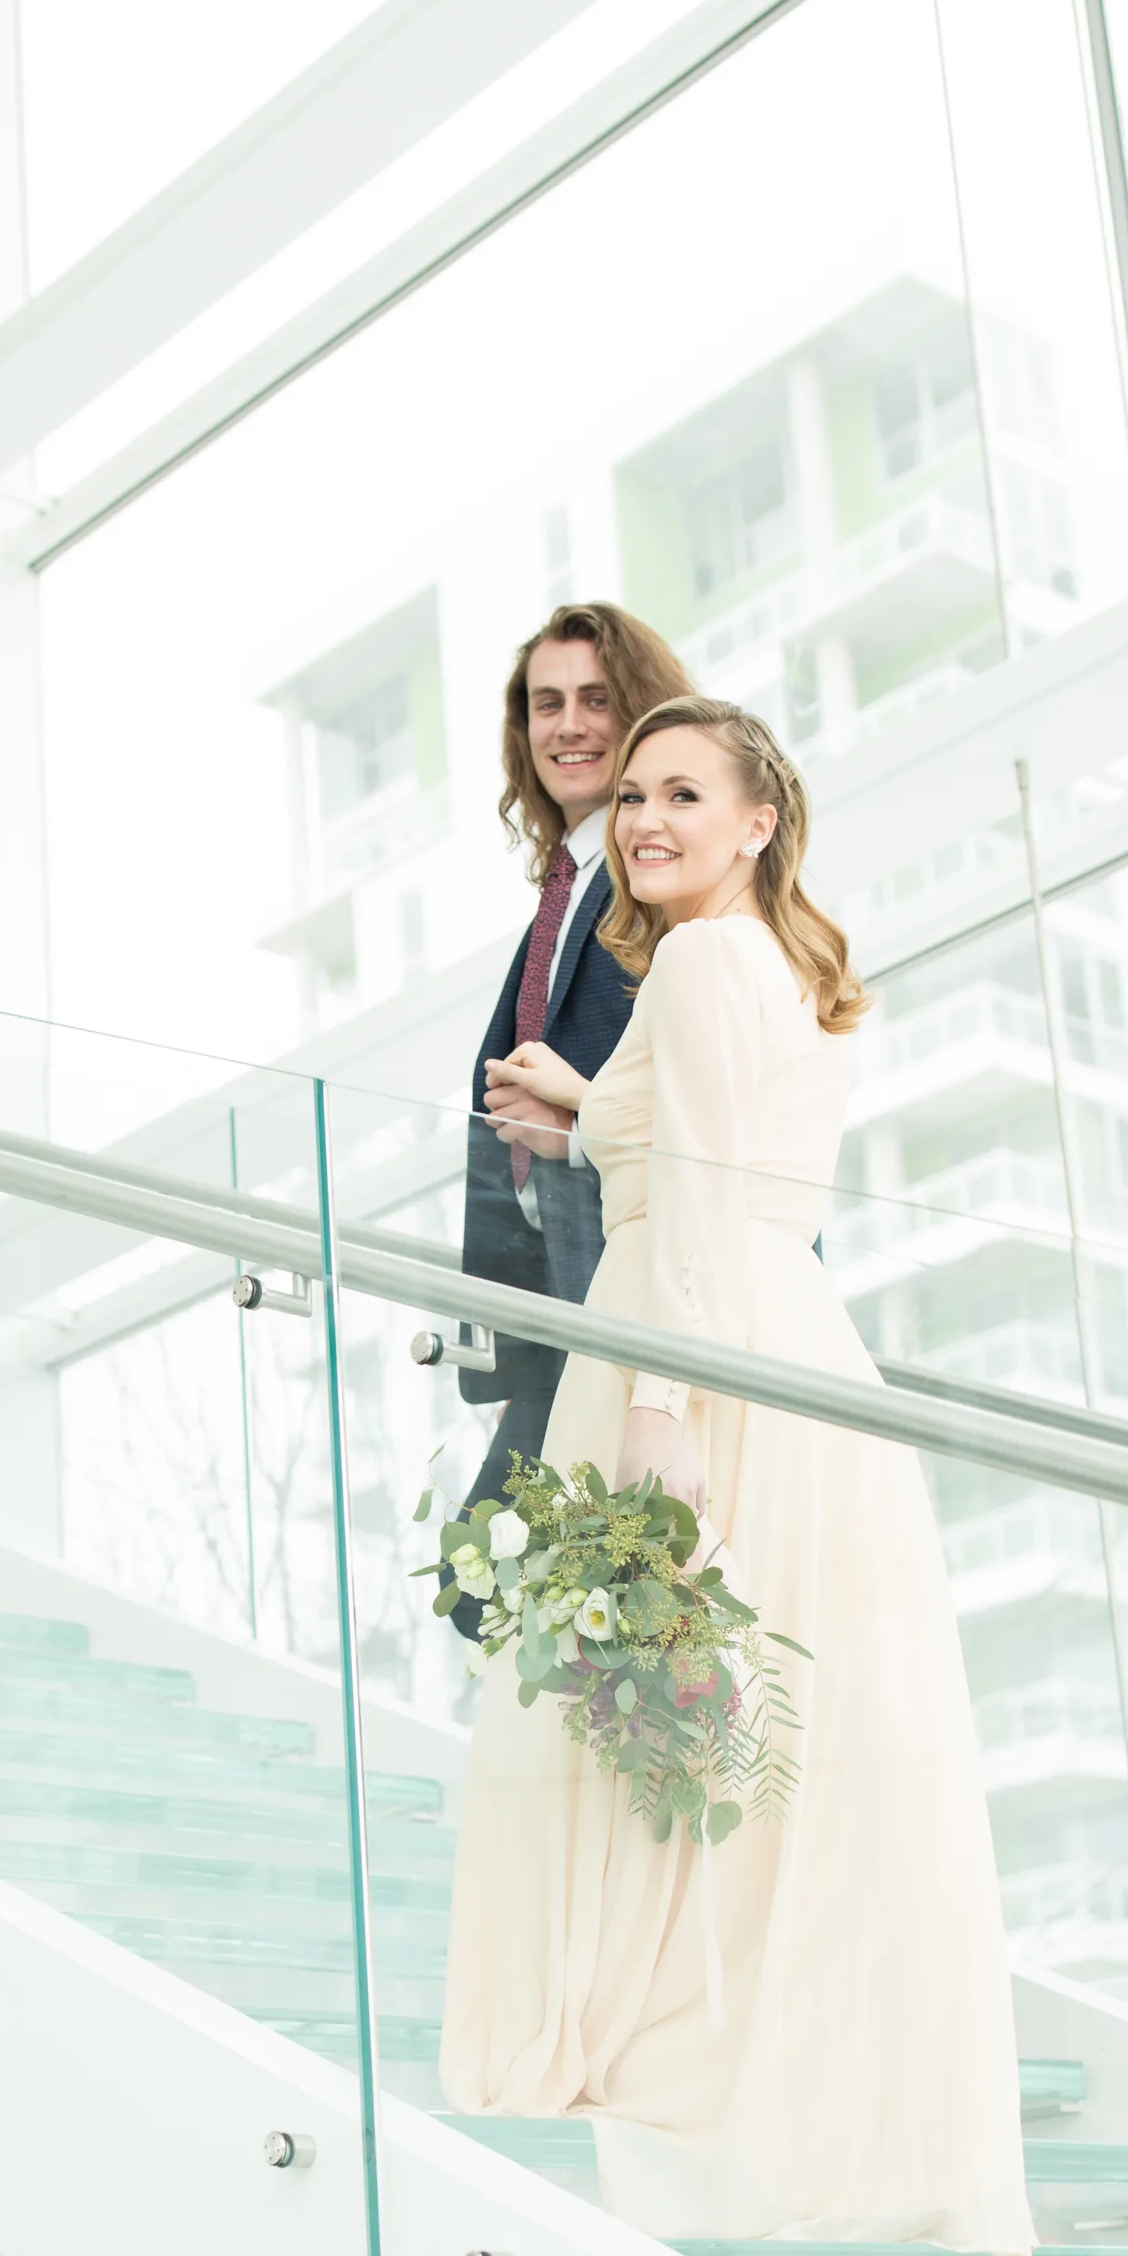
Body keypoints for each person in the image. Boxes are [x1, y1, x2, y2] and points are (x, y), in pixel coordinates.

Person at [441, 696, 1033, 2255]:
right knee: (747, 1720)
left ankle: (658, 2041)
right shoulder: (784, 964)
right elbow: (719, 1150)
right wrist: (590, 1111)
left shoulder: (703, 960)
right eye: (634, 796)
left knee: (659, 1704)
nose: (644, 821)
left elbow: (697, 1194)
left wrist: (660, 1411)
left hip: (687, 1340)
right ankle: (769, 2068)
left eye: (683, 795)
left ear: (758, 820)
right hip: (781, 1331)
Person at [450, 604, 693, 1618]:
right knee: (493, 1599)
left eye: (598, 699)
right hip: (558, 1303)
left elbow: (698, 1101)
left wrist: (580, 1131)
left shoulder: (657, 881)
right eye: (546, 704)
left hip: (634, 1295)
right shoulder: (568, 887)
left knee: (525, 1608)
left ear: (645, 715)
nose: (570, 725)